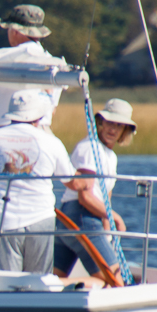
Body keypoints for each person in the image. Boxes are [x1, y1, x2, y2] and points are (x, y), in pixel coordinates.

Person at [0, 90, 85, 274]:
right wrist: (87, 181)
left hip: (4, 222)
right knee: (38, 282)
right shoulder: (52, 142)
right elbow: (72, 182)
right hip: (41, 221)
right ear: (39, 117)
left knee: (5, 284)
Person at [53, 99, 138, 287]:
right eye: (109, 123)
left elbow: (106, 197)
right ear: (100, 123)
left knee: (55, 278)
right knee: (115, 283)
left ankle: (52, 285)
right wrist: (116, 218)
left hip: (72, 220)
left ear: (125, 130)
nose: (112, 129)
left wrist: (107, 229)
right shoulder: (90, 148)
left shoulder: (109, 155)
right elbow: (85, 197)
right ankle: (58, 284)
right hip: (81, 217)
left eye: (119, 125)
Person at [0, 4, 70, 135]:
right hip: (41, 131)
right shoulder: (54, 64)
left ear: (15, 31)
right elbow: (52, 110)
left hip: (1, 130)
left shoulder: (3, 58)